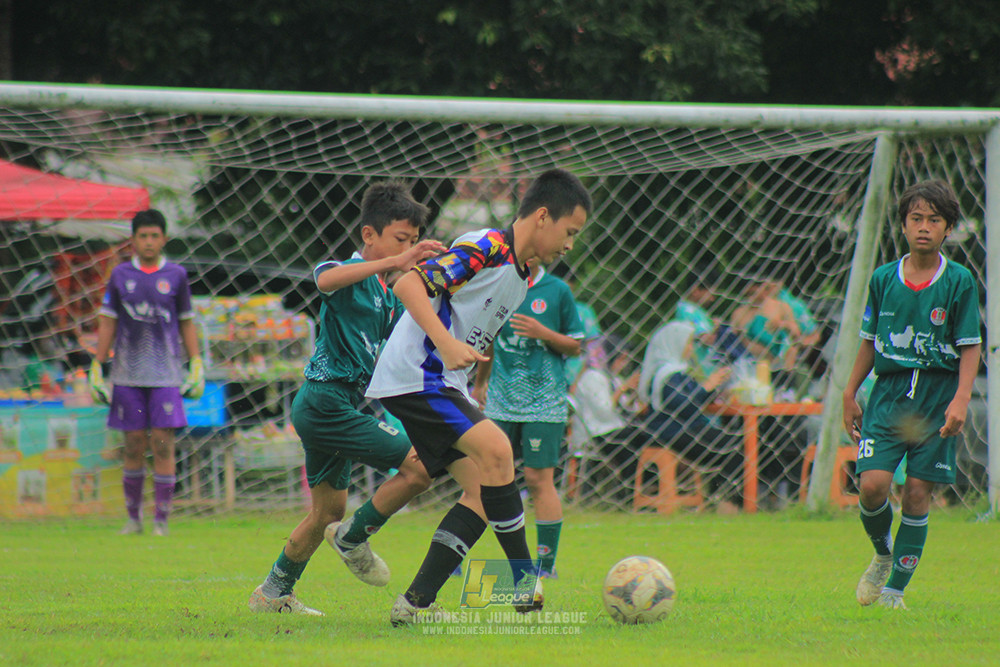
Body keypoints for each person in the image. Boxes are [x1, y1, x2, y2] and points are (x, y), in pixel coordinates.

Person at [365, 168, 592, 625]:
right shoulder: (487, 245)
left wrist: (473, 360)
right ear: (543, 216)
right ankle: (525, 582)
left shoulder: (525, 276)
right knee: (498, 451)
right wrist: (447, 345)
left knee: (482, 494)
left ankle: (413, 606)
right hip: (418, 373)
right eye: (569, 232)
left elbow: (471, 321)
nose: (570, 245)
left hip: (442, 382)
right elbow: (408, 283)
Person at [247, 182, 445, 615]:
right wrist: (398, 261)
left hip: (333, 408)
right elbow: (324, 278)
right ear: (369, 235)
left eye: (414, 241)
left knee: (325, 513)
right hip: (324, 403)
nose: (408, 248)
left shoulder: (382, 292)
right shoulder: (347, 272)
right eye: (400, 239)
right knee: (419, 467)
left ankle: (272, 593)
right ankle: (355, 538)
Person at [843, 179, 981, 610]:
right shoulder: (884, 278)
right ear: (903, 225)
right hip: (888, 396)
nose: (924, 226)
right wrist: (850, 392)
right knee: (872, 487)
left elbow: (970, 345)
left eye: (934, 220)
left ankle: (894, 593)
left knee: (918, 493)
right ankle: (883, 554)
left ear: (947, 229)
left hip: (937, 398)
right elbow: (868, 339)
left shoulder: (958, 281)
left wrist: (961, 399)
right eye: (916, 218)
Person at [89, 209, 204, 537]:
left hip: (166, 376)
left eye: (155, 236)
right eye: (143, 236)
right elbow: (108, 320)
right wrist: (98, 364)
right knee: (134, 444)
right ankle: (133, 518)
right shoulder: (120, 274)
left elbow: (186, 321)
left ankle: (162, 521)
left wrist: (195, 363)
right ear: (133, 240)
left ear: (164, 238)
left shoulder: (177, 275)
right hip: (127, 376)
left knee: (165, 445)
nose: (149, 241)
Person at [472, 258, 585, 579]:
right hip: (500, 401)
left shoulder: (557, 290)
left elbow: (576, 346)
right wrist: (481, 382)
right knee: (483, 479)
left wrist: (543, 332)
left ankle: (545, 567)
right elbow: (488, 339)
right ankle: (453, 556)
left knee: (538, 480)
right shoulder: (499, 284)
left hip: (544, 402)